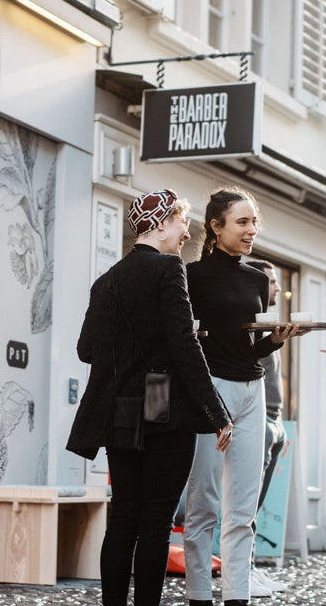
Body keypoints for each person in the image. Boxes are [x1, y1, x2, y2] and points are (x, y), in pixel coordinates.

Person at [67, 188, 234, 606]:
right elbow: (183, 344)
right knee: (156, 520)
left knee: (123, 516)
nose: (186, 230)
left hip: (121, 408)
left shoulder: (105, 282)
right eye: (181, 221)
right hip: (160, 399)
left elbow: (86, 350)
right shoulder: (168, 268)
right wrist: (217, 411)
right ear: (160, 225)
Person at [183, 188, 305, 606]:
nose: (252, 230)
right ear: (215, 228)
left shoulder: (257, 278)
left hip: (253, 391)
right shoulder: (191, 278)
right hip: (210, 392)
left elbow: (249, 347)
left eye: (254, 222)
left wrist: (275, 340)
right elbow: (190, 344)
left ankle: (237, 596)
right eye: (242, 222)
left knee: (243, 508)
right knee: (203, 503)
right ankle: (199, 594)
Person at [244, 260, 288, 597]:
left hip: (274, 418)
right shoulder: (249, 323)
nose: (275, 288)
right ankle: (241, 572)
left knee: (257, 504)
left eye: (275, 282)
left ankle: (250, 568)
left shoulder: (268, 322)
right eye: (270, 281)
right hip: (258, 418)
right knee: (247, 503)